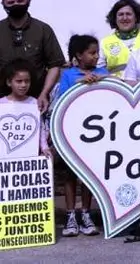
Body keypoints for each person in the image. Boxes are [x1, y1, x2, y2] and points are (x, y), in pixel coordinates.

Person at [56, 35, 109, 237]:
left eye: (97, 53)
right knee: (70, 173)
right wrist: (81, 81)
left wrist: (100, 79)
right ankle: (71, 215)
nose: (96, 56)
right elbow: (62, 98)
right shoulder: (69, 75)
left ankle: (86, 213)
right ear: (79, 55)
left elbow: (114, 83)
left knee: (88, 173)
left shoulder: (102, 72)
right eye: (92, 53)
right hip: (73, 131)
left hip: (96, 133)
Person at [0, 0, 65, 113]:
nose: (16, 4)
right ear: (3, 4)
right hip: (2, 99)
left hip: (36, 100)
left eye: (20, 1)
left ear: (29, 1)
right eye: (11, 2)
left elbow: (54, 65)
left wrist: (44, 93)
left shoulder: (43, 29)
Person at [1, 59, 51, 159]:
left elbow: (39, 127)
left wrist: (44, 147)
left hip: (29, 155)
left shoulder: (34, 103)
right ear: (9, 82)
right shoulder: (1, 104)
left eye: (27, 81)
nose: (23, 85)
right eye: (19, 81)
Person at [99, 0, 140, 78]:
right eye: (121, 14)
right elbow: (99, 71)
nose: (125, 18)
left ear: (136, 17)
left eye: (128, 14)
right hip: (116, 85)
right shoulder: (104, 42)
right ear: (115, 18)